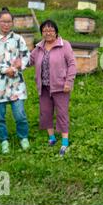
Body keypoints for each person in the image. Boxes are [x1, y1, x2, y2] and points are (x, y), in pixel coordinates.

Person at [0, 7, 31, 154]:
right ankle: (3, 140)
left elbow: (25, 56)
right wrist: (7, 69)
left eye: (9, 21)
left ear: (12, 23)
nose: (6, 24)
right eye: (3, 21)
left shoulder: (18, 39)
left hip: (15, 84)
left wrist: (16, 69)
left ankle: (23, 137)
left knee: (20, 114)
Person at [30, 20, 76, 156]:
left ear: (56, 32)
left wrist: (69, 81)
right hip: (43, 86)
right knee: (45, 112)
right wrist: (15, 62)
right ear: (42, 33)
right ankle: (51, 137)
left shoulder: (64, 45)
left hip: (61, 87)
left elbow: (72, 64)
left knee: (62, 113)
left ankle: (65, 141)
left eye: (51, 30)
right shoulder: (39, 47)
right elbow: (29, 61)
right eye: (45, 30)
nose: (48, 33)